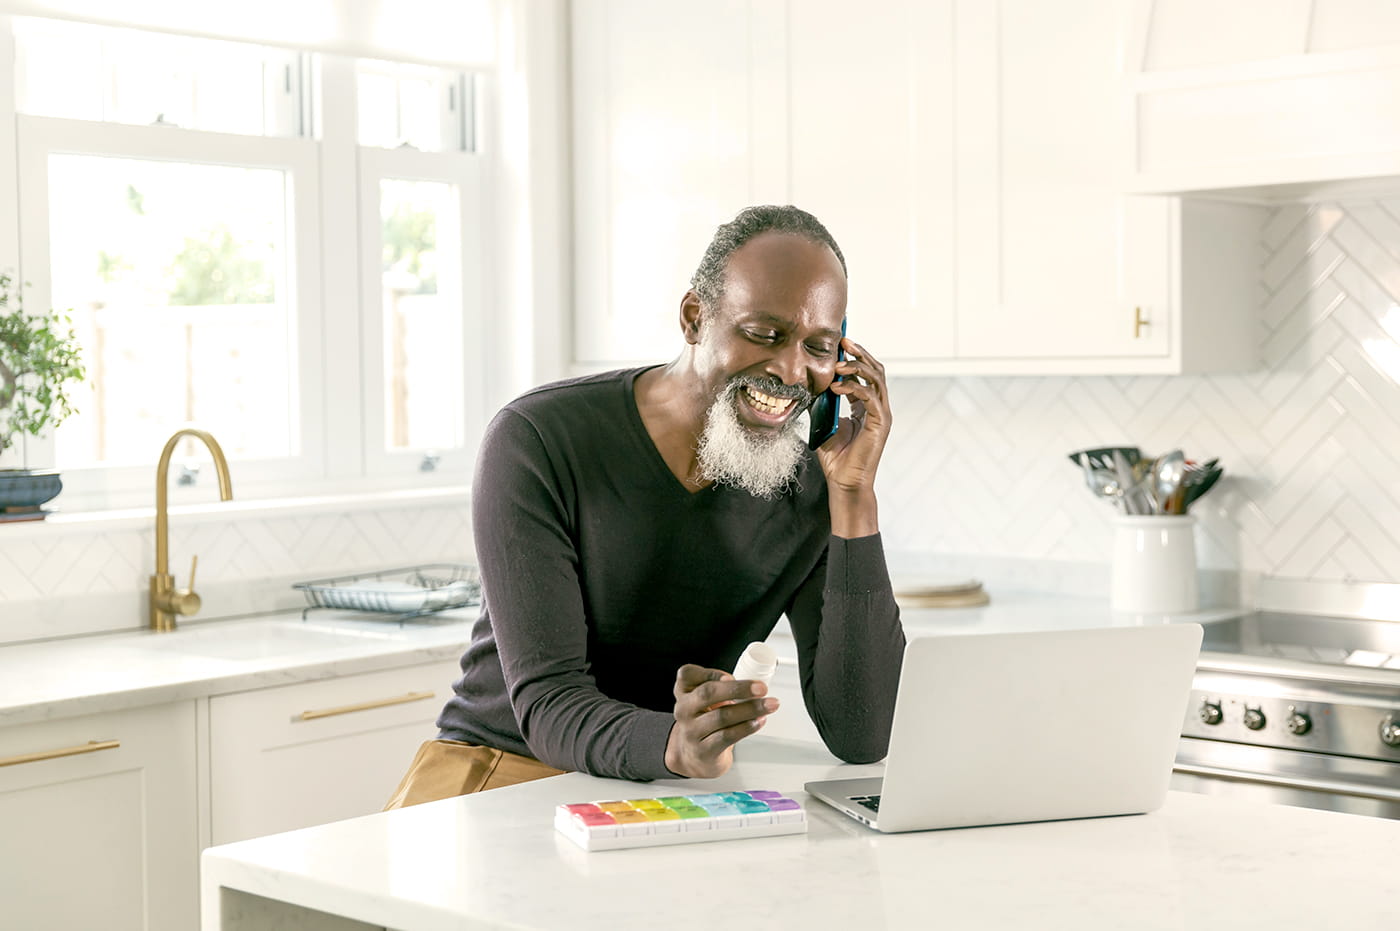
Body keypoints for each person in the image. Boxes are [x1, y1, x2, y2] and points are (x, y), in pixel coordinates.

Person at [385, 205, 905, 808]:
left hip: (657, 785)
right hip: (499, 769)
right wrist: (674, 746)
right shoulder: (539, 439)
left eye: (819, 346)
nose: (792, 368)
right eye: (764, 334)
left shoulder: (812, 485)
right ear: (693, 318)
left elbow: (864, 734)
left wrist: (853, 496)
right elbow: (548, 701)